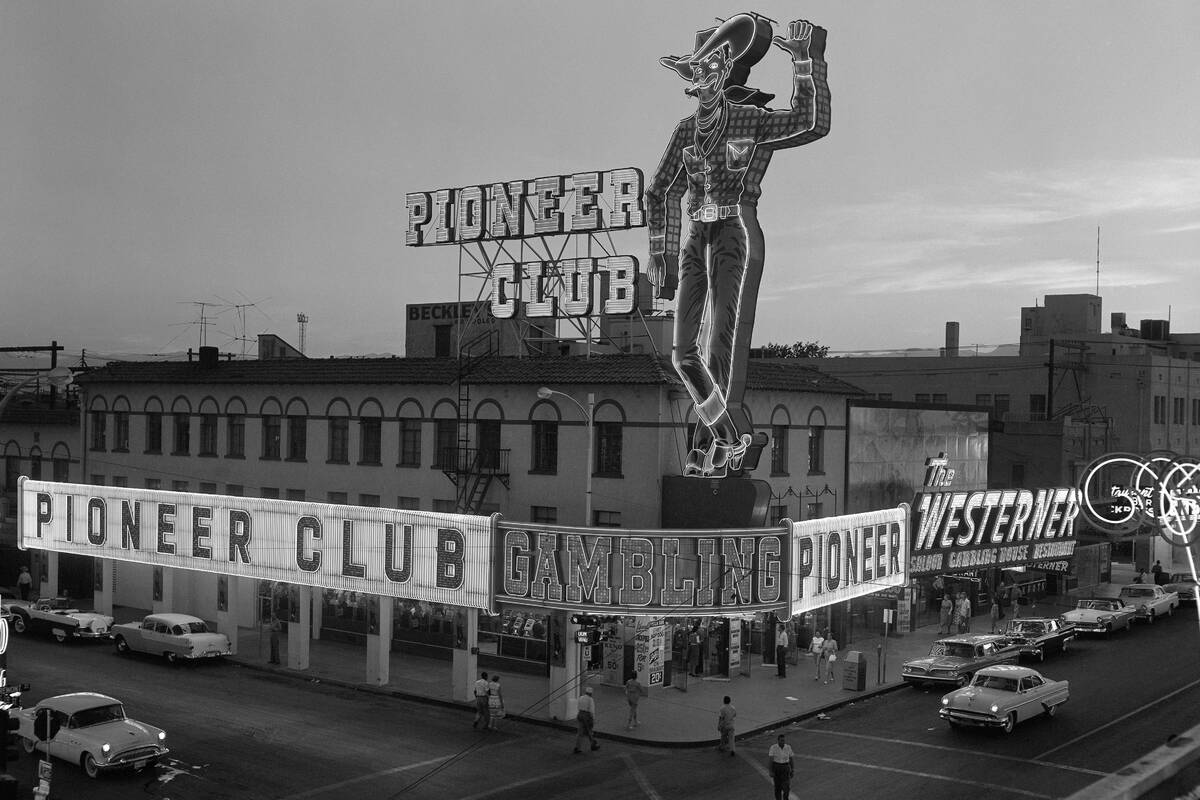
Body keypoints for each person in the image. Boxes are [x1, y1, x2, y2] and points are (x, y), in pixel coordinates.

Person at [645, 14, 831, 478]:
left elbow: (811, 122)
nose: (705, 75)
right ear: (691, 78)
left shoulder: (750, 120)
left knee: (721, 345)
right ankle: (726, 434)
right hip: (694, 238)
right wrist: (661, 249)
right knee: (683, 353)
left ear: (726, 70)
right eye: (698, 69)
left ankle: (709, 446)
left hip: (733, 233)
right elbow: (660, 188)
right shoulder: (686, 131)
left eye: (713, 66)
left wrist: (807, 64)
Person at [768, 733, 795, 800]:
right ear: (778, 740)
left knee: (786, 787)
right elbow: (771, 760)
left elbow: (791, 759)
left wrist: (792, 769)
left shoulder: (788, 747)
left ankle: (785, 798)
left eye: (783, 740)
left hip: (785, 768)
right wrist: (770, 771)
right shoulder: (773, 747)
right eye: (781, 740)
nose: (782, 742)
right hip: (776, 767)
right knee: (778, 787)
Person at [574, 687, 599, 753]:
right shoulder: (590, 699)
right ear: (591, 693)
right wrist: (593, 719)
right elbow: (591, 711)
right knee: (589, 730)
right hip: (587, 716)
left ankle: (577, 747)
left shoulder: (581, 697)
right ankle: (593, 745)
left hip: (580, 714)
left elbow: (578, 706)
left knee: (580, 732)